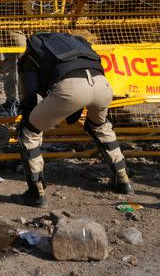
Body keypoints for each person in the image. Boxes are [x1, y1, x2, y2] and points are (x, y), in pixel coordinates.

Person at [15, 32, 133, 207]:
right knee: (100, 126)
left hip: (70, 88)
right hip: (103, 85)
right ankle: (123, 181)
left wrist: (32, 119)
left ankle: (36, 193)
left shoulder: (32, 52)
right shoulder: (79, 45)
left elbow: (30, 97)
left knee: (29, 132)